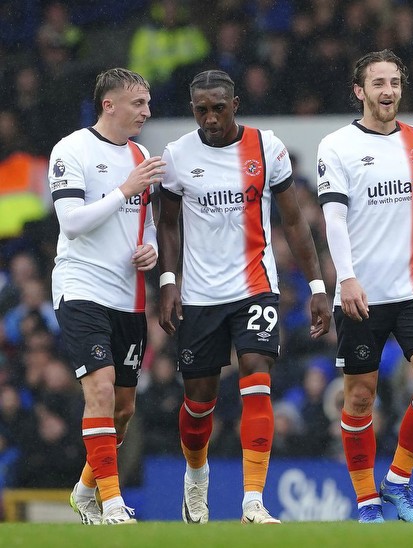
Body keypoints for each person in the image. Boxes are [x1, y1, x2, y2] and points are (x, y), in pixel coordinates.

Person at [157, 69, 331, 525]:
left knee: (257, 378)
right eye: (201, 110)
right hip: (199, 295)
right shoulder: (177, 156)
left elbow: (293, 222)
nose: (210, 118)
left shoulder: (266, 148)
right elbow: (167, 224)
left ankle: (253, 501)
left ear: (235, 104)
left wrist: (316, 286)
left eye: (218, 108)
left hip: (256, 287)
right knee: (199, 402)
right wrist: (168, 280)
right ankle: (197, 479)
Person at [316, 49, 413, 523]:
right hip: (362, 294)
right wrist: (346, 278)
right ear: (359, 91)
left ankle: (397, 482)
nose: (388, 92)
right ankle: (366, 503)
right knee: (360, 397)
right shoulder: (336, 145)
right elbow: (333, 219)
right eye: (378, 83)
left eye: (395, 83)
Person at [49, 67, 164, 525]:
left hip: (128, 295)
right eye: (138, 103)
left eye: (149, 103)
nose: (146, 111)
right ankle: (112, 503)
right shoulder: (71, 150)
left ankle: (83, 488)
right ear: (109, 104)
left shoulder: (140, 153)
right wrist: (124, 189)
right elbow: (72, 222)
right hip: (81, 287)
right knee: (97, 391)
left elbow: (147, 220)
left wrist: (150, 248)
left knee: (122, 409)